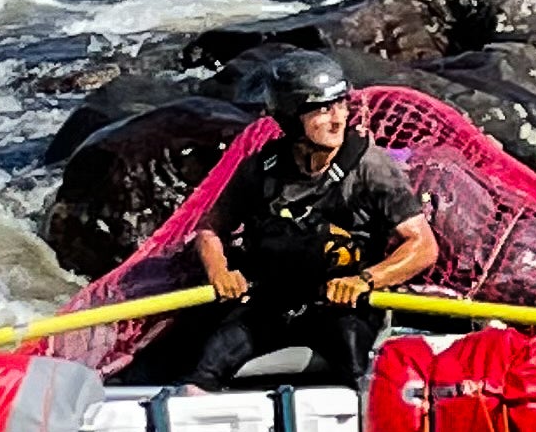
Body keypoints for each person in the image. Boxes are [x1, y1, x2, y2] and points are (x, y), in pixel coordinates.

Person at [182, 54, 439, 386]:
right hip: (273, 301)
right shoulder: (262, 169)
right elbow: (210, 229)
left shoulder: (371, 168)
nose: (338, 119)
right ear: (291, 117)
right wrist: (219, 270)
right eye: (322, 110)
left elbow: (422, 246)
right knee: (211, 360)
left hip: (345, 305)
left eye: (341, 105)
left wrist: (365, 280)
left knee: (353, 361)